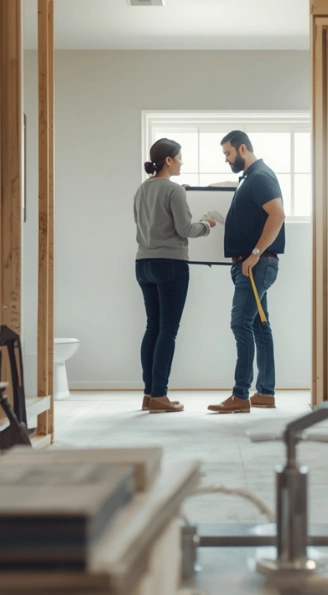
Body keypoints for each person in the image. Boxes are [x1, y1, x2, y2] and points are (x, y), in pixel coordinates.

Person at [134, 138, 216, 413]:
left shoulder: (142, 190)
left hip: (143, 263)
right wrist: (206, 225)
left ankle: (149, 394)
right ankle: (160, 395)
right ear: (168, 160)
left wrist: (177, 194)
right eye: (180, 157)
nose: (182, 162)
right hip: (170, 264)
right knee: (168, 331)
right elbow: (185, 229)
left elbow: (154, 220)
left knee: (153, 327)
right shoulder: (174, 191)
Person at [207, 131, 286, 414]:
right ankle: (265, 392)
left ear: (242, 148)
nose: (227, 159)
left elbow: (278, 214)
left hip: (256, 264)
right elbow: (233, 185)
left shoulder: (260, 177)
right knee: (258, 327)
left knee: (240, 324)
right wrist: (198, 189)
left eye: (228, 154)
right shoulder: (250, 178)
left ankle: (240, 396)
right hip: (252, 265)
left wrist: (254, 254)